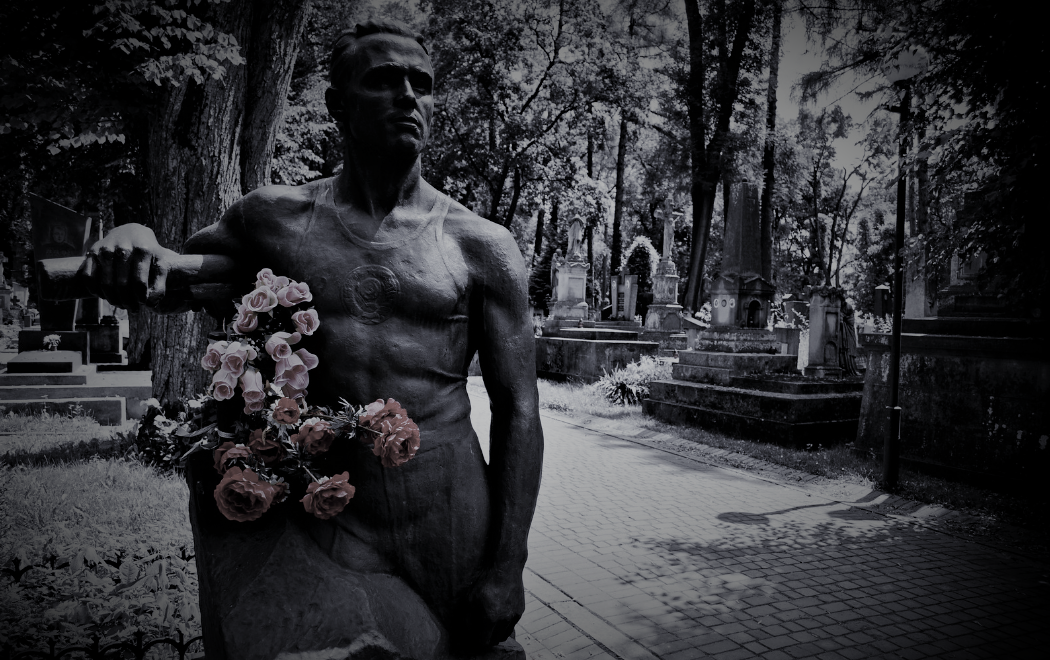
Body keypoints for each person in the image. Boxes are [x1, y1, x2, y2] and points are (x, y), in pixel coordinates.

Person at [81, 20, 543, 660]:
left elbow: (520, 410)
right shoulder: (276, 219)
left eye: (422, 83)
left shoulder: (481, 246)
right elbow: (173, 277)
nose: (409, 96)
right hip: (325, 508)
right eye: (383, 81)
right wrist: (133, 237)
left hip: (448, 508)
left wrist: (509, 563)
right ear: (338, 105)